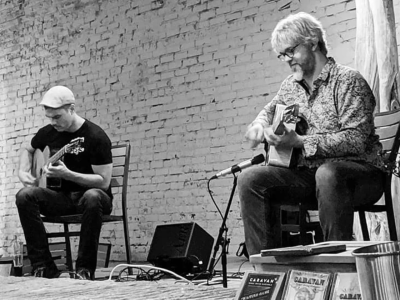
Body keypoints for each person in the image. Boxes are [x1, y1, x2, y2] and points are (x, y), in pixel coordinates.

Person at [238, 12, 386, 256]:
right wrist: (258, 126)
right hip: (310, 175)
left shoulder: (348, 81)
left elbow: (355, 140)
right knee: (251, 179)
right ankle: (266, 269)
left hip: (360, 175)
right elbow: (269, 111)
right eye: (281, 55)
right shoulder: (290, 86)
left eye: (290, 51)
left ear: (313, 42)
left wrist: (299, 141)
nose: (286, 60)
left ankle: (335, 265)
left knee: (328, 174)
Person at [16, 86, 113, 280]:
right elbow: (27, 148)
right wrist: (22, 170)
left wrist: (68, 174)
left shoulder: (95, 136)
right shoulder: (48, 132)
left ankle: (84, 270)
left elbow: (103, 182)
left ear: (71, 109)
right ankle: (43, 267)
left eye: (57, 117)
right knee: (24, 195)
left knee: (92, 196)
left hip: (93, 200)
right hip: (61, 199)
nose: (53, 122)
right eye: (49, 117)